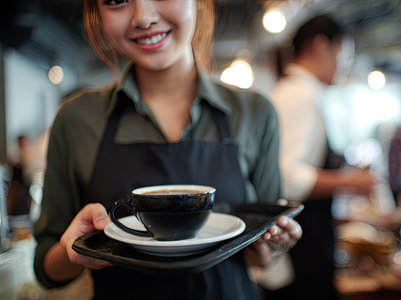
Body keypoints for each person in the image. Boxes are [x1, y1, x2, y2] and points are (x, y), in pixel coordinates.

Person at [33, 1, 302, 299]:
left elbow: (258, 256)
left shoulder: (255, 113)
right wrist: (74, 249)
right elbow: (46, 269)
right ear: (97, 13)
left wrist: (270, 247)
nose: (144, 17)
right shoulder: (75, 119)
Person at [269, 14, 376, 299]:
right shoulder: (297, 95)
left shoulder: (301, 92)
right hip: (301, 250)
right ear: (321, 45)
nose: (347, 65)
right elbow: (288, 178)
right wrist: (352, 181)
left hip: (307, 242)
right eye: (346, 55)